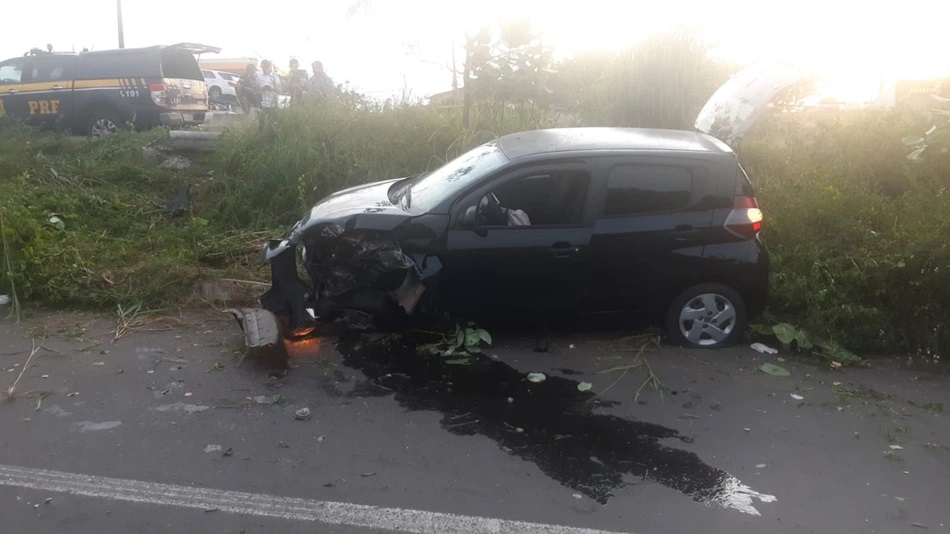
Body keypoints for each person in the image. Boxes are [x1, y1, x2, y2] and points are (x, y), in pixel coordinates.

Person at [255, 59, 281, 127]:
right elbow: (256, 89)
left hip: (273, 103)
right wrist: (262, 89)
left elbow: (279, 90)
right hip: (262, 103)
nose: (267, 69)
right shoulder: (259, 76)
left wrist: (271, 88)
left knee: (273, 123)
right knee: (261, 123)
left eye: (268, 67)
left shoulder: (275, 76)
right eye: (264, 68)